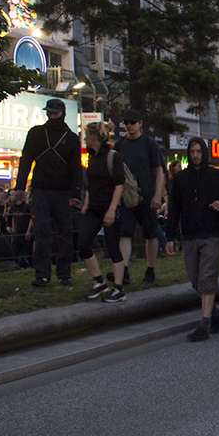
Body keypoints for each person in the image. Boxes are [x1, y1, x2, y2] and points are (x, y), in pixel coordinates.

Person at [164, 137, 219, 341]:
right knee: (195, 279)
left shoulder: (217, 176)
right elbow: (174, 209)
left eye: (199, 151)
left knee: (207, 278)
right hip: (190, 234)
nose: (195, 155)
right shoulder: (181, 179)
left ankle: (205, 324)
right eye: (192, 152)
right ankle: (215, 312)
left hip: (211, 234)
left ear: (205, 153)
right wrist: (170, 237)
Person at [14, 98, 82, 287]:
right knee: (42, 231)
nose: (52, 116)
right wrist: (20, 186)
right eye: (50, 113)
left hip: (63, 191)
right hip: (41, 189)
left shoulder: (71, 138)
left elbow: (76, 167)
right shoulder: (36, 133)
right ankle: (42, 274)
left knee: (66, 233)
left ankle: (64, 273)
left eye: (55, 113)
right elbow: (26, 160)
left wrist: (75, 192)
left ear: (62, 114)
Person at [114, 109, 165, 285]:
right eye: (126, 123)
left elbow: (159, 170)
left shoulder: (149, 144)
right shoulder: (120, 145)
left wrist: (157, 194)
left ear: (140, 123)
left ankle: (150, 268)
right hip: (127, 197)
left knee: (150, 234)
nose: (129, 126)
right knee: (125, 233)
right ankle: (124, 269)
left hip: (147, 196)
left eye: (132, 122)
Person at [79, 121, 128, 304]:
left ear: (93, 137)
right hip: (94, 207)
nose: (85, 139)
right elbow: (91, 184)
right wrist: (86, 202)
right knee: (83, 242)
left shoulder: (113, 156)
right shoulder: (92, 157)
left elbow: (119, 184)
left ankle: (119, 288)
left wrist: (112, 209)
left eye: (86, 135)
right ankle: (99, 281)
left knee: (113, 248)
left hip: (110, 207)